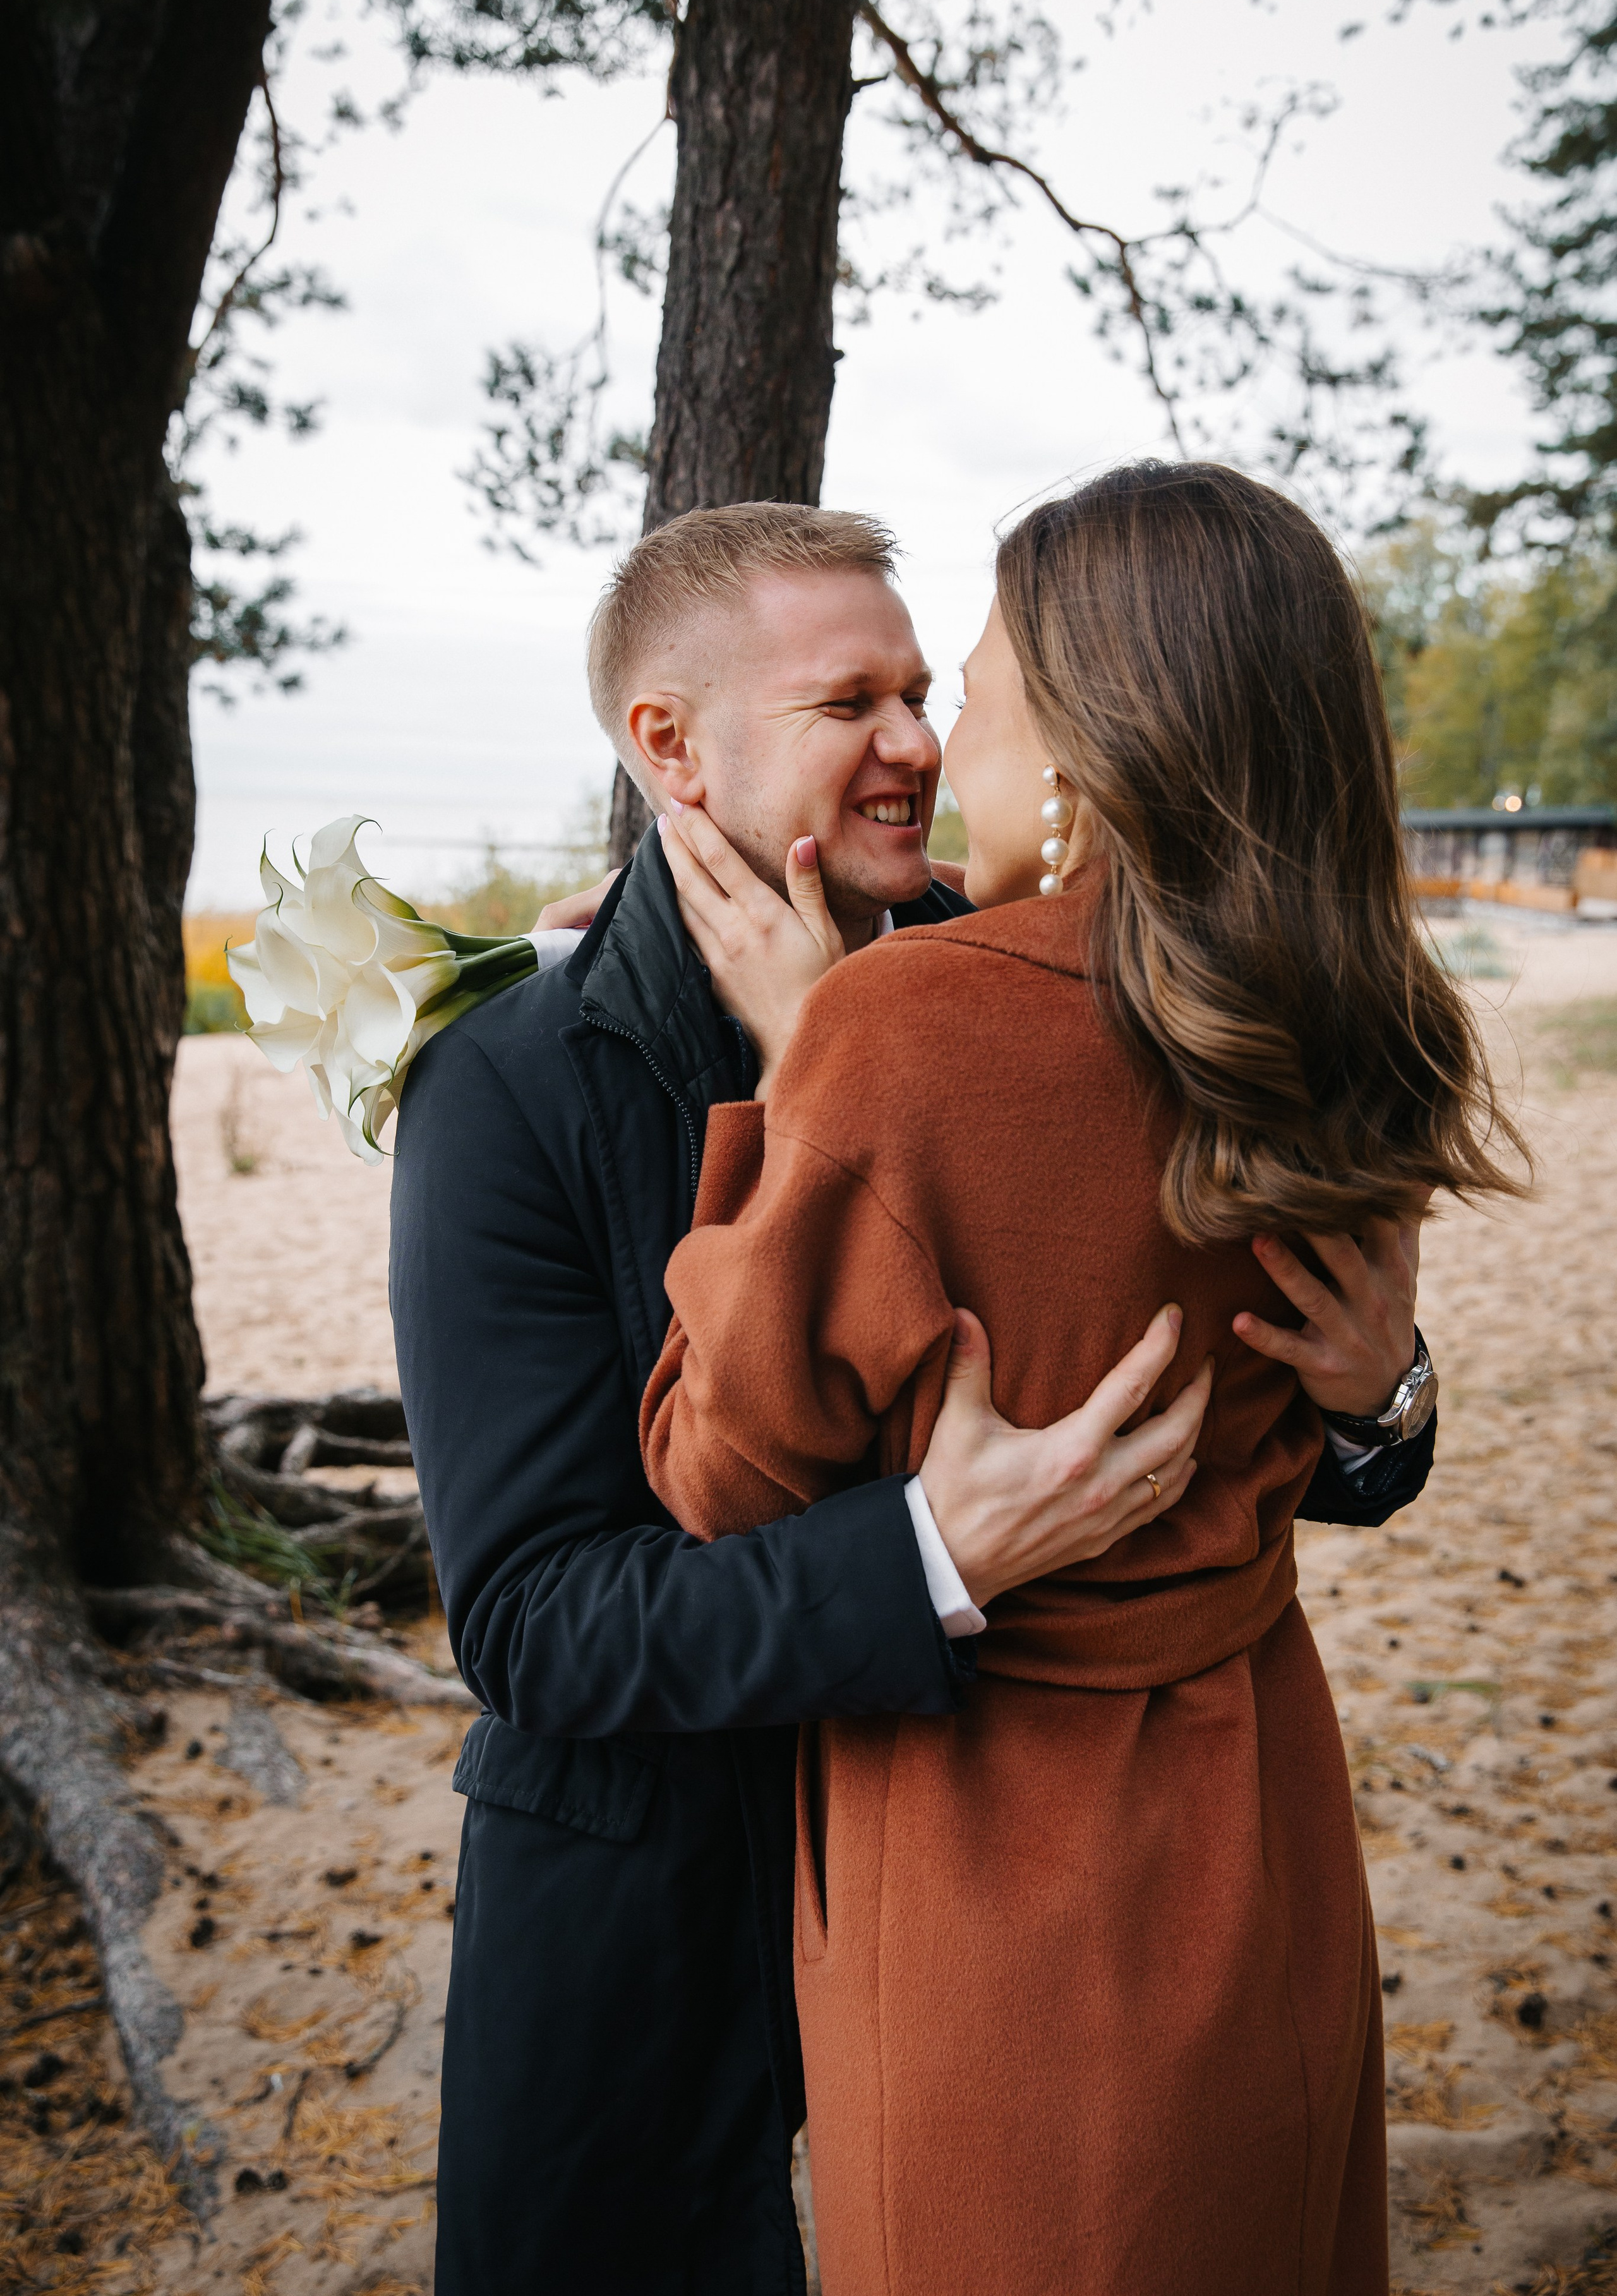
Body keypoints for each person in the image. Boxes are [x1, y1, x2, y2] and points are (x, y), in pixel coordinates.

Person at [390, 502, 1440, 2295]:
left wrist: (1382, 1399)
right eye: (850, 704)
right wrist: (934, 1554)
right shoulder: (503, 1082)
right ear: (670, 746)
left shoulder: (1018, 972)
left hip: (1000, 1881)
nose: (919, 743)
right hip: (659, 1898)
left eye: (926, 689)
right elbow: (536, 1624)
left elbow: (1209, 1424)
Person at [640, 468, 1520, 2295]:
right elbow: (1305, 1389)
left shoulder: (902, 1033)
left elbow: (711, 1477)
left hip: (993, 1868)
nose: (938, 739)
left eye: (971, 686)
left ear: (1094, 747)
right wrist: (1385, 1404)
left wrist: (802, 1074)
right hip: (1261, 1818)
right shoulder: (1345, 1015)